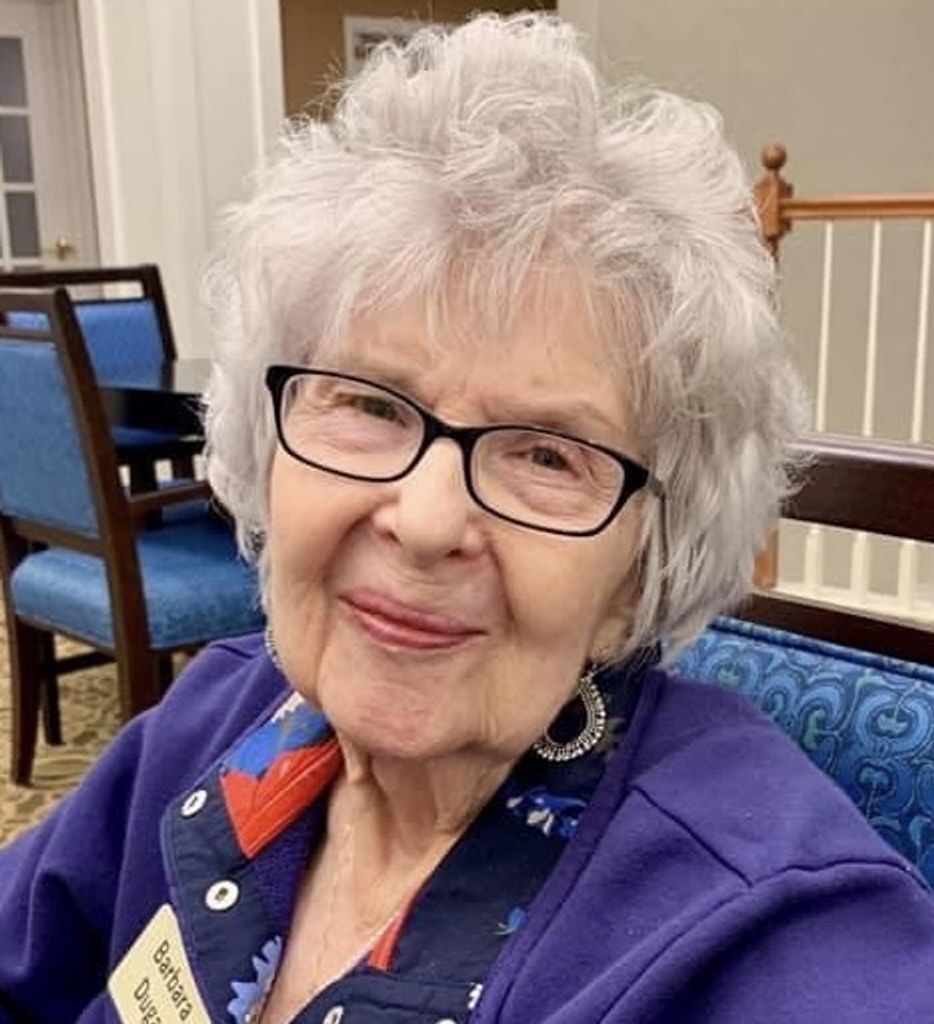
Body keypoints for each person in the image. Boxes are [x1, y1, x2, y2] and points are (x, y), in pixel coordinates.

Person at [2, 12, 934, 1023]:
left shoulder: (752, 930)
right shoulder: (220, 712)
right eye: (369, 405)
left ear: (640, 569)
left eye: (546, 453)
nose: (425, 519)